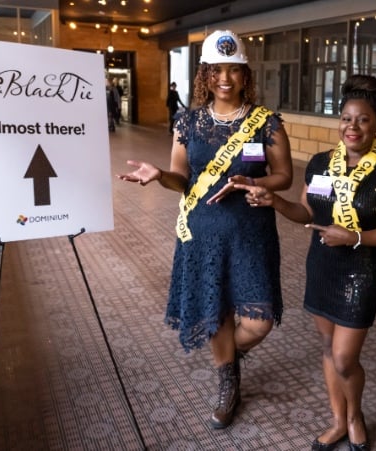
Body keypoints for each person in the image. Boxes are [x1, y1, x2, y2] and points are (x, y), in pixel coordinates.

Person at [116, 29, 293, 430]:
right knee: (216, 313)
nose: (225, 78)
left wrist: (256, 183)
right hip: (202, 232)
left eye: (233, 70)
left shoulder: (265, 123)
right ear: (205, 75)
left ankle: (227, 356)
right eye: (216, 70)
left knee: (258, 320)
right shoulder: (188, 122)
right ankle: (228, 383)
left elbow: (283, 175)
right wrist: (160, 174)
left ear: (246, 74)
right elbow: (181, 177)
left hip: (251, 231)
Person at [235, 74, 376, 451]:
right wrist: (275, 201)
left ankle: (355, 415)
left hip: (361, 270)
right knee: (329, 349)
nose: (353, 126)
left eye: (363, 119)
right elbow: (305, 212)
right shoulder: (320, 164)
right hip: (321, 267)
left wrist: (354, 236)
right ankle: (337, 420)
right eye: (347, 118)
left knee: (345, 358)